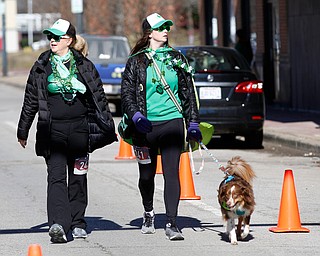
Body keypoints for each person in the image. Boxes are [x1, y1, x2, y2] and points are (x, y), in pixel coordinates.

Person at [17, 19, 117, 243]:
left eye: (57, 37)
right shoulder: (42, 66)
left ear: (69, 41)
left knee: (78, 177)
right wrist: (23, 129)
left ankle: (78, 221)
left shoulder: (84, 66)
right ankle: (58, 224)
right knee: (55, 178)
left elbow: (98, 97)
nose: (52, 40)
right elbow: (31, 100)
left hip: (80, 130)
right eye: (50, 37)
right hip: (53, 131)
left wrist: (107, 126)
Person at [121, 13, 202, 241]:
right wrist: (136, 116)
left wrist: (193, 121)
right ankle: (148, 213)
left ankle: (172, 223)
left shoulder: (178, 59)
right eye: (160, 27)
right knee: (146, 176)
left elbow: (188, 93)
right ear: (149, 33)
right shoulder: (136, 61)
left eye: (167, 27)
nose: (166, 30)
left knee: (171, 173)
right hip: (144, 127)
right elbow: (126, 93)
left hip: (172, 122)